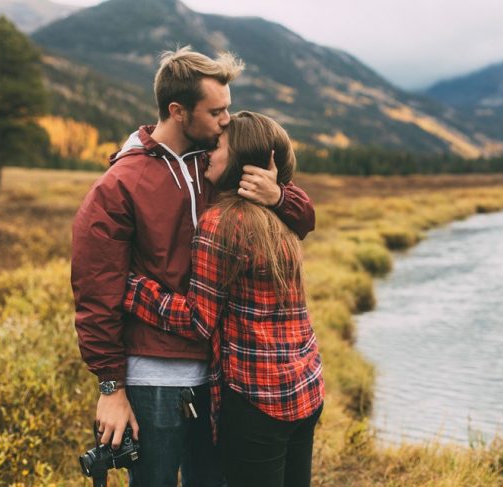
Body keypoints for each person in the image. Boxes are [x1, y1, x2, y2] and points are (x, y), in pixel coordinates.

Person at [71, 48, 316, 487]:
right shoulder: (119, 184)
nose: (228, 120)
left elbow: (303, 218)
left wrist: (278, 196)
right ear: (178, 111)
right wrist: (111, 387)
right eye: (217, 111)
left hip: (226, 381)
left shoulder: (222, 165)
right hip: (155, 382)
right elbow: (95, 293)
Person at [123, 111, 324, 487]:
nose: (207, 154)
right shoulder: (280, 216)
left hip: (257, 400)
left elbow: (198, 321)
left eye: (217, 146)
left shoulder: (221, 222)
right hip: (305, 389)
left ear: (241, 162)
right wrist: (281, 193)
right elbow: (304, 212)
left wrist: (133, 289)